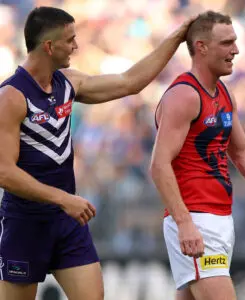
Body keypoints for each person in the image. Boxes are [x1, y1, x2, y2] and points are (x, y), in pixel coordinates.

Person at [0, 6, 195, 300]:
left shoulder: (68, 82)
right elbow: (4, 172)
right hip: (25, 224)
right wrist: (63, 198)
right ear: (49, 46)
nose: (76, 46)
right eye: (70, 40)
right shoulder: (11, 97)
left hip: (67, 221)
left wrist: (178, 36)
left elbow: (130, 82)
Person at [150, 10, 245, 300]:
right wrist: (184, 223)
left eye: (235, 41)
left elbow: (243, 155)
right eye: (227, 43)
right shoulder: (184, 95)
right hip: (197, 220)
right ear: (202, 47)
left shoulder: (223, 93)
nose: (236, 50)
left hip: (218, 218)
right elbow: (159, 165)